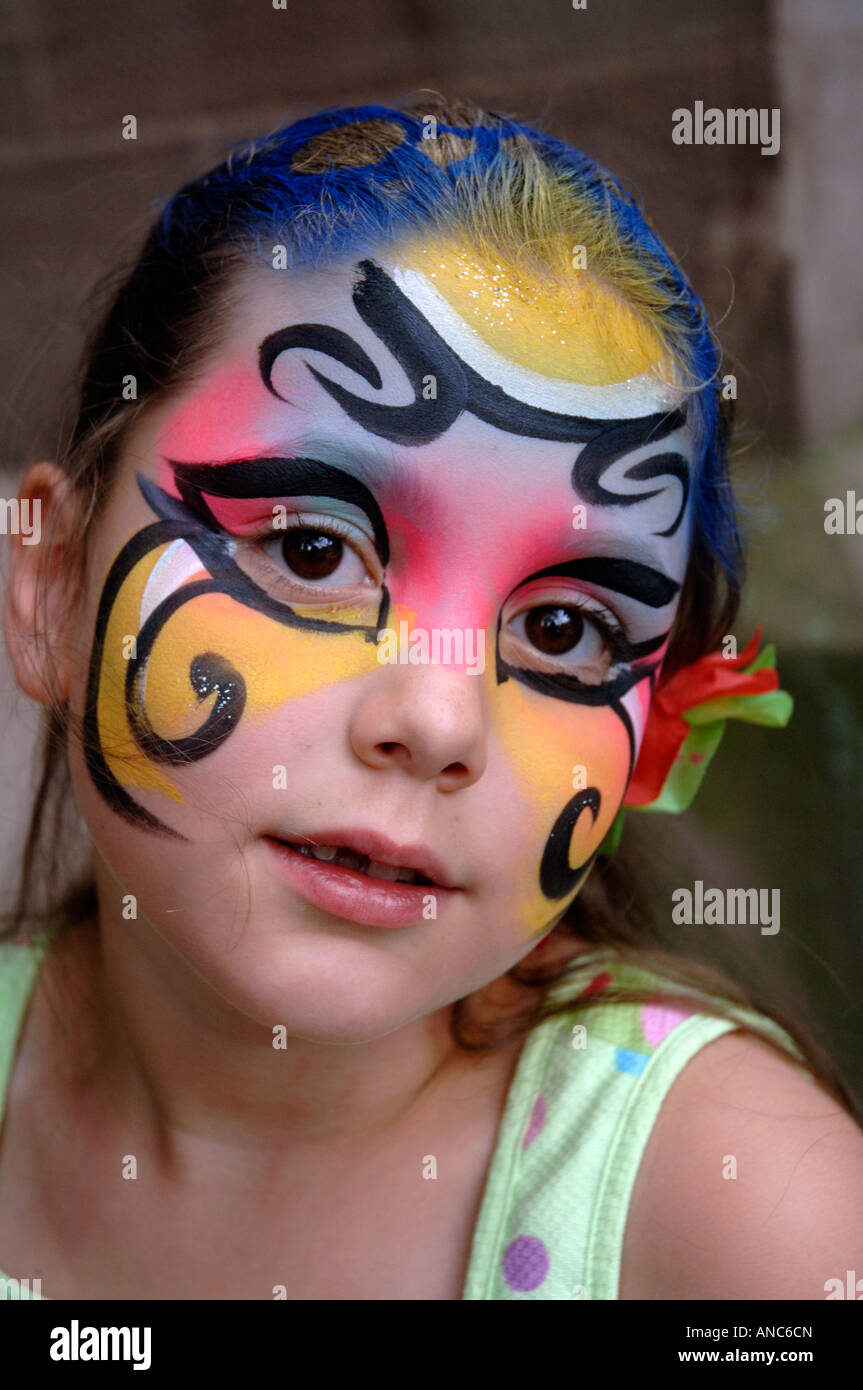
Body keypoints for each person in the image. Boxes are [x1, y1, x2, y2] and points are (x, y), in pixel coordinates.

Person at [1, 97, 861, 1301]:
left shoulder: (757, 1224)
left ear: (655, 733)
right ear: (51, 585)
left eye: (564, 630)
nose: (440, 721)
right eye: (308, 549)